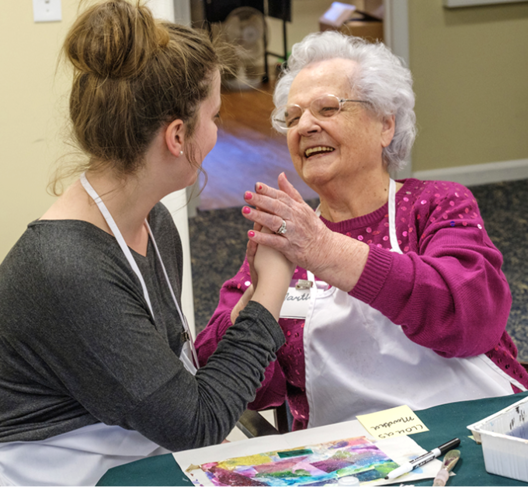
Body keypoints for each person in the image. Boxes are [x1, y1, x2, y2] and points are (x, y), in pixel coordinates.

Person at [0, 1, 294, 485]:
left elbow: (163, 389)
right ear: (178, 136)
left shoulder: (155, 223)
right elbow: (195, 425)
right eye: (214, 117)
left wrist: (246, 311)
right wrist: (272, 289)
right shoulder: (66, 267)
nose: (217, 134)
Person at [195, 31, 528, 432]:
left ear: (385, 125)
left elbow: (473, 319)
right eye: (294, 117)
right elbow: (231, 385)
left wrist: (325, 250)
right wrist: (253, 307)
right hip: (353, 459)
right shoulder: (284, 243)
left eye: (327, 108)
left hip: (474, 431)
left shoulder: (434, 206)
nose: (306, 127)